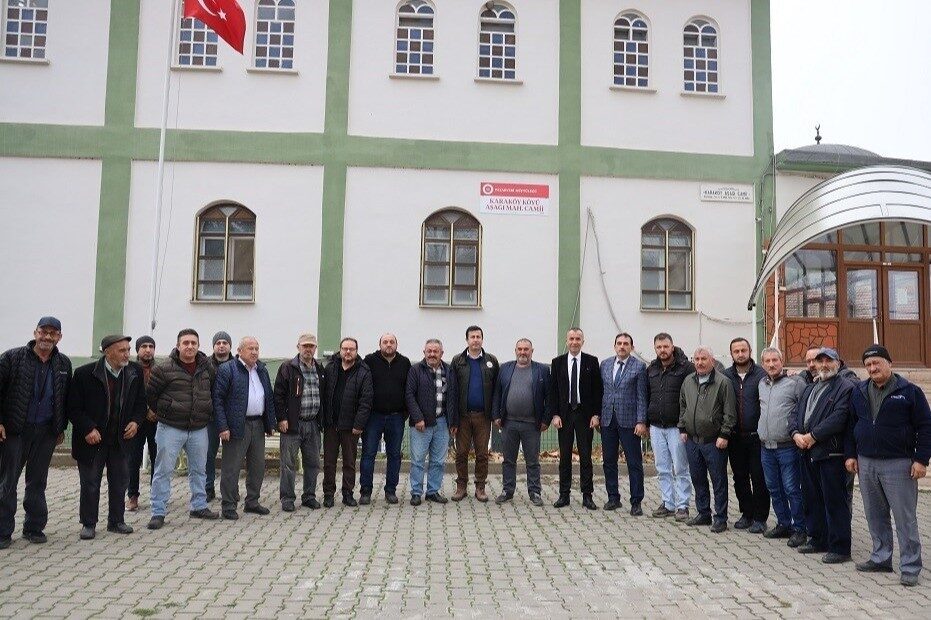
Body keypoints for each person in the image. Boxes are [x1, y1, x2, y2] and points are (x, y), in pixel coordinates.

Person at [846, 345, 931, 587]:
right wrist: (851, 455)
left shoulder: (910, 392)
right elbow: (851, 425)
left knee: (905, 518)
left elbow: (926, 426)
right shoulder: (859, 391)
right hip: (866, 463)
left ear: (889, 363)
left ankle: (910, 566)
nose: (873, 368)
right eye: (868, 365)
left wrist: (921, 459)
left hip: (899, 464)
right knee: (875, 515)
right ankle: (881, 558)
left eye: (877, 363)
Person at [0, 317, 72, 549]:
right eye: (44, 332)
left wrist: (60, 427)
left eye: (53, 333)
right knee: (7, 481)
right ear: (35, 333)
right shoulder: (12, 358)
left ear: (59, 337)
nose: (47, 337)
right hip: (15, 430)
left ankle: (34, 527)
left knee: (38, 481)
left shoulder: (63, 363)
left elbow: (64, 398)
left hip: (46, 432)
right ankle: (3, 531)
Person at [68, 335, 146, 539]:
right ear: (107, 352)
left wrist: (136, 422)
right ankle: (88, 524)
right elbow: (73, 407)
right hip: (92, 440)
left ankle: (116, 521)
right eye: (122, 350)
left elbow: (141, 403)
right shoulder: (84, 374)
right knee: (90, 483)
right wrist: (88, 429)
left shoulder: (134, 371)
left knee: (120, 482)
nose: (127, 354)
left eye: (128, 349)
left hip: (121, 439)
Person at [146, 329, 219, 529]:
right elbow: (151, 395)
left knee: (199, 469)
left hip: (198, 428)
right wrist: (165, 411)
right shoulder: (163, 369)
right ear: (178, 346)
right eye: (185, 343)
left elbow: (212, 391)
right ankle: (158, 512)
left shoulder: (207, 368)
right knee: (163, 470)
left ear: (198, 346)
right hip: (171, 427)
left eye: (193, 343)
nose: (189, 346)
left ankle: (199, 506)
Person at [790, 347, 854, 563]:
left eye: (829, 360)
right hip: (806, 451)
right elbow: (795, 413)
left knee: (834, 501)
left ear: (838, 363)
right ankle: (818, 539)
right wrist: (795, 433)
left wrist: (813, 436)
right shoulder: (810, 387)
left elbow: (839, 417)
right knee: (812, 499)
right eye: (820, 361)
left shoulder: (845, 387)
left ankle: (840, 548)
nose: (824, 365)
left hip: (831, 453)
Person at [213, 337, 276, 520]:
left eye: (257, 348)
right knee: (231, 468)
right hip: (236, 426)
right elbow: (217, 399)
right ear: (239, 351)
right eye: (250, 348)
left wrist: (270, 423)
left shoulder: (261, 369)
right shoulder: (228, 369)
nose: (254, 352)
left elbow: (268, 397)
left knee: (257, 466)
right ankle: (228, 505)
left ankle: (252, 502)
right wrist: (223, 426)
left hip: (258, 424)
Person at [678, 346, 736, 533]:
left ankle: (721, 518)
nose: (700, 362)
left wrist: (724, 434)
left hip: (714, 441)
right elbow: (683, 405)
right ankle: (703, 513)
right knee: (698, 478)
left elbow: (729, 412)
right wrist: (682, 427)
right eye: (697, 359)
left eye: (704, 359)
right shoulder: (688, 381)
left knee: (718, 481)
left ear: (712, 360)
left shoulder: (723, 382)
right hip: (692, 440)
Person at [757, 347, 808, 548]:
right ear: (763, 364)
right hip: (766, 447)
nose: (771, 364)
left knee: (791, 489)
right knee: (774, 488)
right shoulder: (762, 384)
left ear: (782, 361)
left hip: (787, 447)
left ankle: (800, 529)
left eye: (775, 360)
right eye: (767, 361)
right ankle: (783, 524)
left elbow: (805, 408)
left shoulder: (795, 383)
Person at [492, 338, 550, 507]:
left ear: (532, 351)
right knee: (508, 460)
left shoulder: (542, 370)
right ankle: (507, 490)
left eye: (526, 349)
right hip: (509, 423)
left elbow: (549, 397)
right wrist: (496, 415)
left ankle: (534, 492)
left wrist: (545, 420)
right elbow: (497, 393)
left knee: (532, 461)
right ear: (515, 350)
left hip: (532, 424)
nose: (523, 352)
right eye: (520, 349)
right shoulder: (505, 369)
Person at [550, 328, 603, 510]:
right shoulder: (557, 363)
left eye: (578, 339)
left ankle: (587, 495)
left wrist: (596, 414)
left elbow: (598, 391)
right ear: (566, 341)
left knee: (586, 456)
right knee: (565, 457)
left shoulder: (591, 361)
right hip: (564, 415)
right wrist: (555, 414)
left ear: (583, 341)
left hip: (584, 415)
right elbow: (553, 391)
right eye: (571, 339)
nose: (574, 342)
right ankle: (564, 495)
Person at [274, 333, 327, 511]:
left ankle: (309, 496)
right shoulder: (288, 368)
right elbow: (278, 395)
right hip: (292, 424)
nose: (308, 349)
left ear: (315, 348)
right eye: (305, 346)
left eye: (311, 346)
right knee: (288, 464)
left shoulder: (319, 369)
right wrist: (282, 418)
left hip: (313, 423)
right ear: (298, 347)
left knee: (313, 463)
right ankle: (287, 498)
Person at [722, 338, 769, 533]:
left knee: (759, 478)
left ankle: (760, 518)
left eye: (743, 350)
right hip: (735, 437)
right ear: (731, 354)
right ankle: (746, 514)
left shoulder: (762, 374)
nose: (740, 354)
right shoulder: (725, 376)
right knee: (740, 477)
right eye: (736, 351)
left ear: (750, 351)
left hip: (757, 437)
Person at [645, 333, 693, 522]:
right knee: (662, 468)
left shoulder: (686, 368)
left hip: (677, 427)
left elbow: (690, 397)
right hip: (656, 426)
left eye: (665, 346)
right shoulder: (651, 369)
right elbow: (647, 395)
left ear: (672, 347)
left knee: (680, 467)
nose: (662, 350)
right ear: (655, 349)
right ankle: (668, 503)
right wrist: (646, 422)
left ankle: (683, 505)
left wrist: (685, 425)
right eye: (659, 347)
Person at [599, 333, 647, 515]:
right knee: (609, 461)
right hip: (608, 420)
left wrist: (641, 421)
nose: (622, 346)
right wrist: (598, 415)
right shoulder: (605, 364)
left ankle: (636, 501)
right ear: (614, 346)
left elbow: (642, 396)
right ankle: (613, 497)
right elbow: (601, 392)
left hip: (630, 421)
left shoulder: (639, 367)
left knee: (634, 463)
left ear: (631, 347)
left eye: (626, 344)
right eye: (619, 343)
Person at [406, 339, 459, 506]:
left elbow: (454, 397)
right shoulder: (415, 370)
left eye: (436, 351)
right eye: (429, 351)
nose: (432, 354)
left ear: (442, 353)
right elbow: (409, 395)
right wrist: (418, 418)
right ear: (424, 352)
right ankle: (416, 492)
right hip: (421, 423)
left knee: (438, 461)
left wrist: (453, 422)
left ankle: (432, 491)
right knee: (418, 460)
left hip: (442, 422)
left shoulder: (449, 370)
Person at [450, 326, 499, 503]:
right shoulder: (458, 361)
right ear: (467, 340)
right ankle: (461, 486)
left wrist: (495, 415)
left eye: (478, 337)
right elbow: (453, 391)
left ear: (482, 340)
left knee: (482, 454)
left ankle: (480, 487)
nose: (476, 340)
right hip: (463, 416)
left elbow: (497, 391)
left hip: (483, 417)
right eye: (472, 337)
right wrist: (453, 419)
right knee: (461, 453)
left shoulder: (491, 361)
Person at [360, 334, 411, 505]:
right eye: (385, 342)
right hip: (373, 416)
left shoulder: (404, 363)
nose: (388, 345)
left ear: (396, 344)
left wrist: (405, 412)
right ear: (380, 344)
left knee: (394, 455)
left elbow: (409, 388)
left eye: (392, 342)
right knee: (368, 454)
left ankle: (390, 491)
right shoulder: (369, 361)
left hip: (396, 417)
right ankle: (365, 491)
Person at [322, 338, 373, 508]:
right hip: (331, 424)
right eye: (345, 348)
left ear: (356, 351)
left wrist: (359, 424)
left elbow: (366, 401)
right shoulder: (330, 368)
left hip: (351, 427)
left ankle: (347, 493)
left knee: (349, 463)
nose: (348, 352)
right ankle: (328, 494)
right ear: (340, 350)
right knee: (329, 462)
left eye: (351, 349)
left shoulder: (363, 371)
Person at [126, 335, 157, 512]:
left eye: (151, 346)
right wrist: (145, 411)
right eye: (144, 346)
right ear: (137, 350)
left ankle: (156, 495)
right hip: (135, 422)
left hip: (156, 420)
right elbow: (129, 395)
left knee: (157, 458)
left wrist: (156, 411)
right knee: (133, 459)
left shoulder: (160, 368)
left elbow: (166, 392)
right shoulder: (129, 369)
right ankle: (132, 496)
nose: (148, 350)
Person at [205, 331, 232, 502]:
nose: (221, 346)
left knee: (231, 456)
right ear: (214, 346)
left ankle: (230, 489)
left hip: (231, 417)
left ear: (230, 346)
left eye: (224, 343)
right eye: (218, 343)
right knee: (208, 454)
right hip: (210, 418)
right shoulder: (205, 364)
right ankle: (208, 488)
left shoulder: (237, 365)